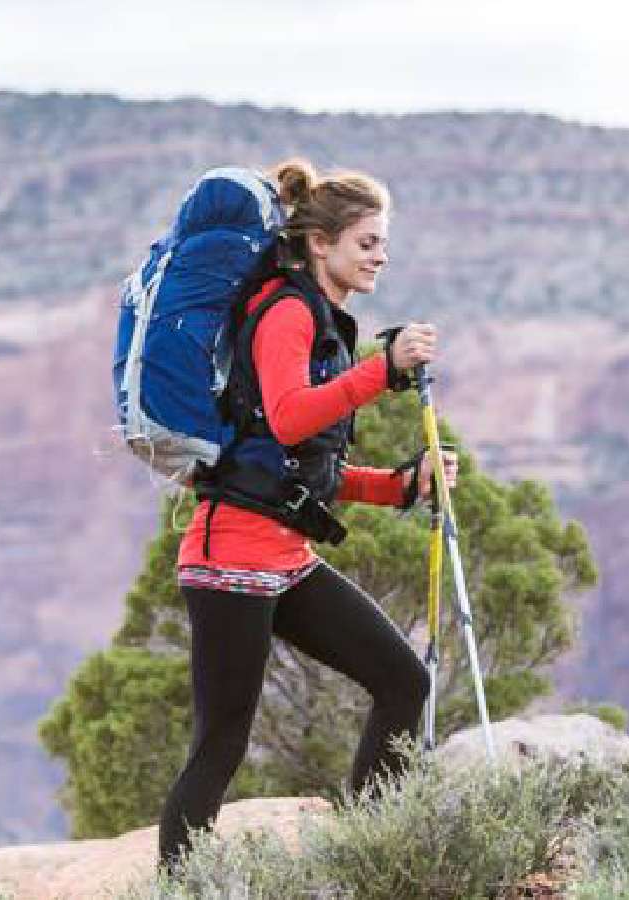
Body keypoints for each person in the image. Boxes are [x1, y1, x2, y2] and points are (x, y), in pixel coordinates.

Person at [158, 158, 456, 868]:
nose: (381, 255)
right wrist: (381, 371)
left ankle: (373, 856)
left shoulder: (325, 322)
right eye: (367, 242)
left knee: (403, 682)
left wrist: (399, 485)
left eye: (384, 243)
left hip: (283, 558)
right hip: (229, 558)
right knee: (221, 743)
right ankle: (179, 887)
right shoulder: (287, 312)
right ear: (320, 244)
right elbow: (291, 419)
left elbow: (298, 467)